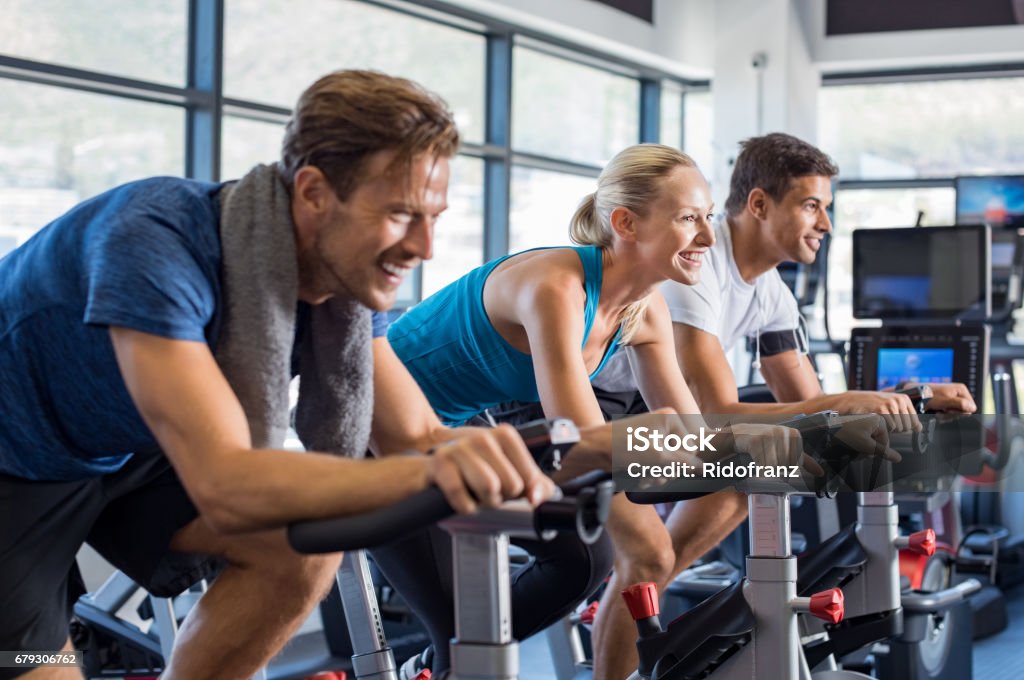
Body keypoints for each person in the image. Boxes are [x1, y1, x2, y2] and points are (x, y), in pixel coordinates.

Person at [0, 70, 569, 680]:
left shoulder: (341, 286)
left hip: (127, 449)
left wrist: (580, 456)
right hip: (16, 463)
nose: (425, 247)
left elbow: (418, 437)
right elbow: (228, 484)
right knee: (39, 663)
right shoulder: (153, 243)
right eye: (402, 214)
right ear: (314, 192)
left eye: (433, 216)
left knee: (300, 549)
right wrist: (433, 471)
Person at [383, 143, 832, 680]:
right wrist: (674, 442)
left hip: (458, 426)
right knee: (461, 626)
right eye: (690, 219)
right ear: (627, 223)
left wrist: (788, 454)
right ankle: (439, 662)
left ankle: (443, 662)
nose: (709, 238)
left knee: (584, 563)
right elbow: (583, 447)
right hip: (378, 420)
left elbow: (694, 437)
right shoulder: (556, 287)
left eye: (708, 217)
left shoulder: (646, 309)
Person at [594, 132, 976, 423]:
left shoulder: (773, 295)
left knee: (772, 464)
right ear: (759, 204)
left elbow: (810, 407)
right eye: (811, 206)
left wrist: (910, 397)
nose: (825, 224)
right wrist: (847, 402)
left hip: (650, 407)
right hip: (600, 403)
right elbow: (714, 412)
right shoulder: (694, 262)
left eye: (826, 208)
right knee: (755, 465)